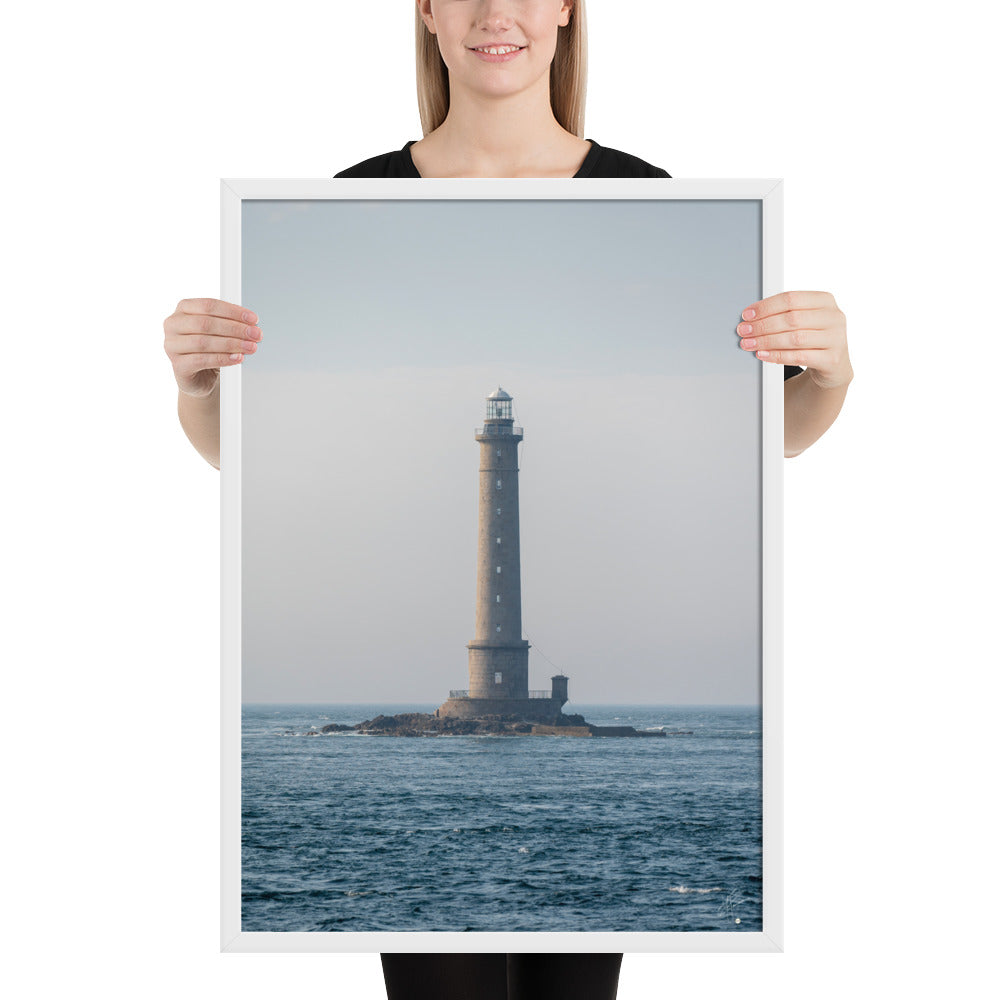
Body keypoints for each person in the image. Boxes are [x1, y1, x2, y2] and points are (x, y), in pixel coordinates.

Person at [163, 2, 852, 997]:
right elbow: (244, 457)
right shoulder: (360, 194)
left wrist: (829, 373)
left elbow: (767, 437)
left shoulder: (642, 194)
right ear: (427, 13)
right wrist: (194, 387)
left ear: (569, 10)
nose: (498, 12)